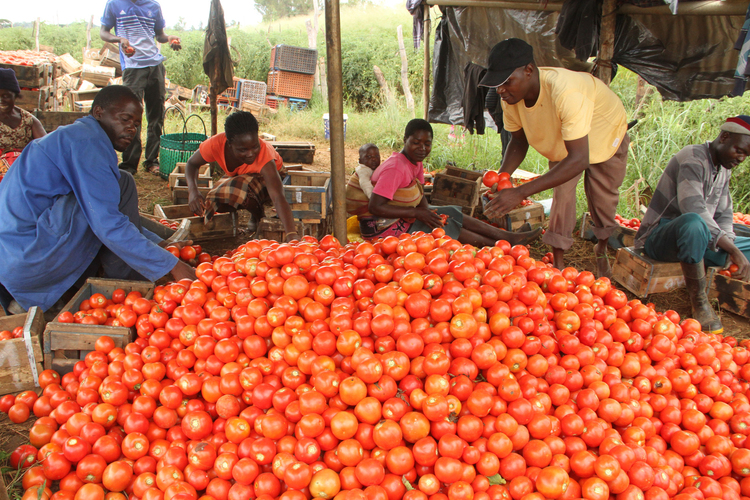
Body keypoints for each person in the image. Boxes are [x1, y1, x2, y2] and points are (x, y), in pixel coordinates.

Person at [0, 85, 195, 315]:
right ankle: (125, 285)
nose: (131, 128)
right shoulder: (87, 144)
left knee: (121, 182)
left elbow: (115, 211)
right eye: (125, 119)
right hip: (29, 257)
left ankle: (50, 290)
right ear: (99, 112)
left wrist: (157, 246)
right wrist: (173, 265)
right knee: (106, 205)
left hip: (16, 252)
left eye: (136, 124)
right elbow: (108, 222)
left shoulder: (78, 136)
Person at [482, 38, 630, 278]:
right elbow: (518, 141)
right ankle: (558, 262)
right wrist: (502, 177)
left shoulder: (565, 92)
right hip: (568, 137)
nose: (500, 90)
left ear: (528, 71)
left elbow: (579, 159)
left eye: (507, 81)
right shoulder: (510, 97)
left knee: (603, 196)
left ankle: (601, 248)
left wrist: (520, 192)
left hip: (604, 128)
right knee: (561, 191)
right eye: (497, 84)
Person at [634, 116, 750, 334]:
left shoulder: (724, 168)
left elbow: (724, 214)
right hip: (662, 239)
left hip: (700, 241)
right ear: (724, 137)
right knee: (694, 223)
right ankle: (699, 301)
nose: (742, 158)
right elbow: (693, 209)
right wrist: (732, 250)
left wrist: (731, 244)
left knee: (738, 241)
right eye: (740, 150)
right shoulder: (693, 158)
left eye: (747, 155)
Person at [353, 118, 540, 247]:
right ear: (405, 140)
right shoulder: (395, 168)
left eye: (427, 144)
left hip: (399, 217)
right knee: (444, 225)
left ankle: (507, 237)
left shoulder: (415, 162)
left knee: (448, 212)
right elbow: (376, 206)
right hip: (382, 228)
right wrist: (418, 213)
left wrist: (429, 212)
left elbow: (419, 197)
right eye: (416, 142)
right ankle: (502, 245)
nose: (422, 148)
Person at [185, 111, 297, 242]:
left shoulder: (264, 155)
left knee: (236, 188)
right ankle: (255, 211)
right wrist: (193, 191)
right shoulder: (216, 144)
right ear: (229, 143)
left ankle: (258, 218)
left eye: (255, 146)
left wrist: (292, 235)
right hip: (243, 176)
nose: (250, 154)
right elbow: (191, 163)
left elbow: (278, 196)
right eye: (242, 150)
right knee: (215, 199)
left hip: (275, 177)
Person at [100, 0, 181, 175]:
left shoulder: (153, 6)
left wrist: (170, 39)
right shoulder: (114, 4)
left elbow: (159, 35)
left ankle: (151, 160)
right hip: (132, 66)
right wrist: (119, 39)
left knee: (156, 115)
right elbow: (103, 32)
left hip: (155, 66)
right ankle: (129, 165)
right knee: (130, 118)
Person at [0, 68, 46, 180]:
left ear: (15, 96)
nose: (1, 100)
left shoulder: (29, 121)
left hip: (25, 174)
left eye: (6, 96)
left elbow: (46, 148)